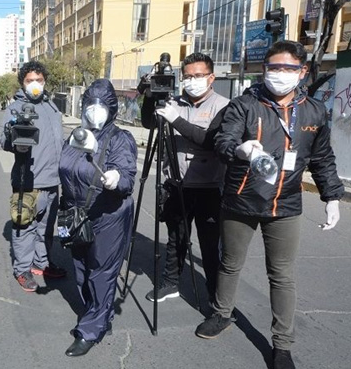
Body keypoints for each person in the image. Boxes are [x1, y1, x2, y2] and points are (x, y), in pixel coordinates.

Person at [194, 41, 344, 369]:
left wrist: (331, 195)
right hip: (240, 200)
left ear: (302, 71)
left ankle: (282, 344)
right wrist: (240, 149)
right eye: (272, 67)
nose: (278, 74)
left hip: (286, 204)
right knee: (230, 264)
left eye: (287, 68)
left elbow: (321, 158)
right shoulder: (244, 104)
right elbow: (223, 140)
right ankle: (221, 314)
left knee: (282, 275)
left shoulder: (315, 111)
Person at [140, 53, 229, 305]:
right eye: (187, 76)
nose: (192, 81)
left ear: (211, 78)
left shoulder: (224, 106)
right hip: (176, 184)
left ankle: (216, 295)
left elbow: (210, 141)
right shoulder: (173, 102)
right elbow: (149, 123)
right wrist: (149, 98)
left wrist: (175, 119)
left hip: (209, 186)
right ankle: (170, 283)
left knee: (211, 246)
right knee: (176, 239)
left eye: (198, 76)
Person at [59, 79, 137, 357]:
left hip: (108, 215)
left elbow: (127, 176)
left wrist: (117, 179)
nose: (95, 110)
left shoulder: (120, 139)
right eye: (90, 103)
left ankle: (90, 328)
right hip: (75, 213)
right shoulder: (75, 136)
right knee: (80, 267)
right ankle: (98, 314)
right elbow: (65, 170)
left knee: (102, 271)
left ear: (112, 108)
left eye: (102, 104)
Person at [0, 61, 67, 292]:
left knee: (46, 227)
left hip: (52, 179)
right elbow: (4, 141)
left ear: (45, 81)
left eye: (39, 80)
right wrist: (13, 137)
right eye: (30, 81)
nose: (35, 84)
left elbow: (58, 140)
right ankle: (23, 269)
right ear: (22, 83)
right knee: (24, 226)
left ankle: (42, 262)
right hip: (28, 181)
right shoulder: (15, 108)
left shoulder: (52, 107)